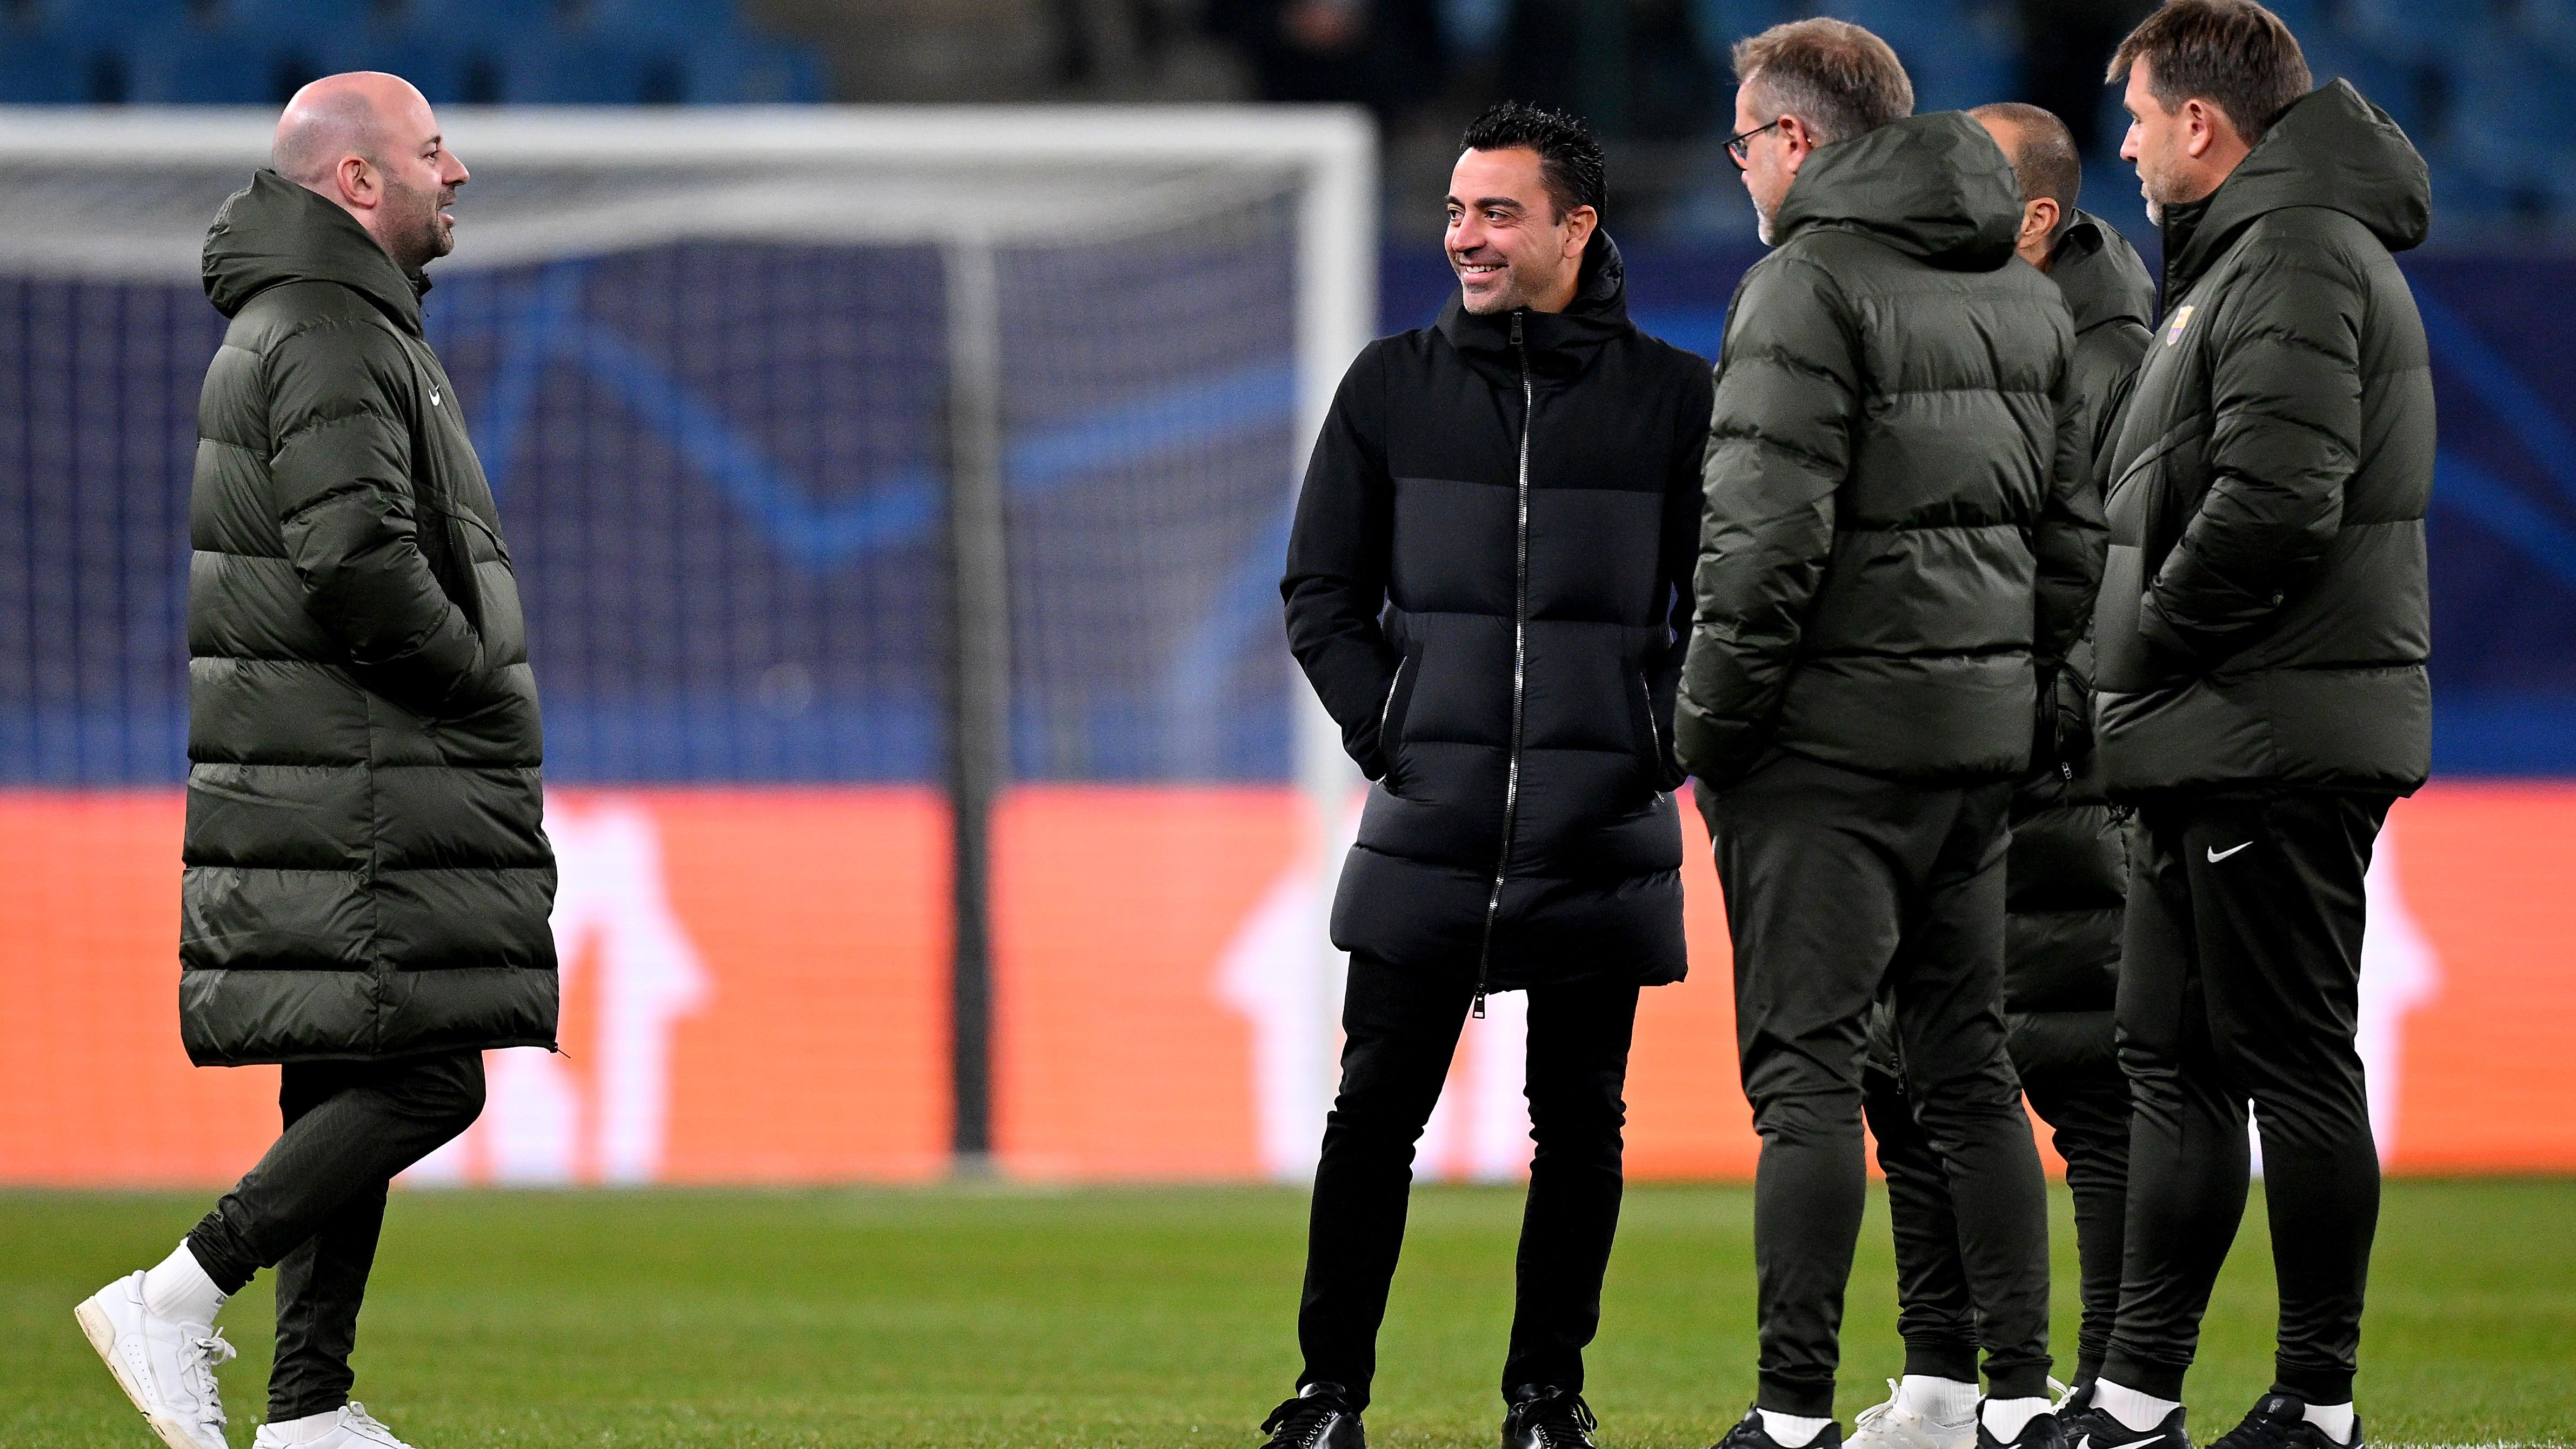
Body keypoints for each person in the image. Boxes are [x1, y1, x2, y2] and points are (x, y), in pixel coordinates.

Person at [74, 73, 556, 1449]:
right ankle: (177, 1293)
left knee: (355, 1067)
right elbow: (354, 561)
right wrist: (474, 676)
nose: (455, 172)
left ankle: (306, 1411)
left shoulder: (324, 320)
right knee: (429, 1079)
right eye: (430, 150)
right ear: (356, 183)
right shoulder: (332, 331)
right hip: (351, 771)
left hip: (330, 767)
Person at [1677, 19, 2104, 1449]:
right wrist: (2030, 700)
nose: (1736, 165)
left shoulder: (1800, 285)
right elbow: (2070, 538)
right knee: (1969, 1068)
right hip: (1972, 750)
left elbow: (1760, 542)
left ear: (1793, 141)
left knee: (1803, 1078)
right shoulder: (2018, 291)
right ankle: (2018, 1398)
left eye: (1743, 139)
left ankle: (1792, 1413)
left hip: (1822, 751)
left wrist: (1709, 730)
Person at [1272, 99, 1711, 1449]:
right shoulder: (1388, 385)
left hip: (1602, 824)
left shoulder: (1677, 401)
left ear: (1576, 227)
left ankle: (1545, 1400)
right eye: (1459, 210)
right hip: (1429, 823)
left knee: (1577, 1126)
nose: (1466, 235)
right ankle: (1327, 1395)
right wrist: (1396, 737)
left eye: (1498, 212)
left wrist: (1656, 743)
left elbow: (1736, 610)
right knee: (1371, 1120)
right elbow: (1319, 594)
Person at [2072, 5, 2433, 1448]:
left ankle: (2315, 1399)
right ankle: (2135, 1393)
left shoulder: (2286, 256)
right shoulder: (2244, 259)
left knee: (2284, 1060)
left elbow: (2275, 499)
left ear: (2202, 128)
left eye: (2140, 117)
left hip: (2262, 731)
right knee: (2167, 1060)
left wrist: (2139, 639)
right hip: (2207, 732)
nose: (2126, 142)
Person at [1846, 101, 2156, 1449]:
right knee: (1912, 1067)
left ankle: (2106, 1384)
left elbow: (2112, 575)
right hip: (1951, 750)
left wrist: (2051, 717)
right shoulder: (1972, 327)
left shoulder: (2112, 357)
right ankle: (1938, 1381)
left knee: (2085, 1081)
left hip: (2059, 771)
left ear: (2032, 219)